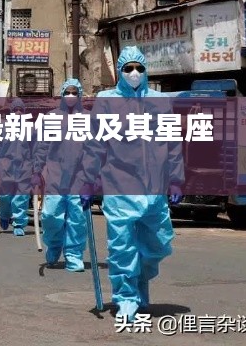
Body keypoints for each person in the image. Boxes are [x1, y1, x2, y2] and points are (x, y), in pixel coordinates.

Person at [79, 46, 184, 322]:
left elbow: (173, 143)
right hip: (119, 184)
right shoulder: (106, 101)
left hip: (154, 188)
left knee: (159, 244)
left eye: (139, 67)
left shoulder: (160, 102)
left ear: (146, 70)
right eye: (128, 68)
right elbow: (95, 145)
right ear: (120, 72)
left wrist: (176, 179)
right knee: (122, 246)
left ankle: (139, 283)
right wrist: (88, 181)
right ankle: (126, 297)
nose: (134, 73)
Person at [32, 78, 89, 272]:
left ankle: (74, 254)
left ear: (80, 95)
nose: (71, 96)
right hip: (55, 176)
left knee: (77, 219)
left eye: (74, 92)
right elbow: (42, 146)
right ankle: (54, 245)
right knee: (51, 216)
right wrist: (36, 171)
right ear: (62, 94)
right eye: (67, 92)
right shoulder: (51, 118)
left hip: (79, 178)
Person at [0, 98, 33, 237]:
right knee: (5, 197)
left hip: (25, 167)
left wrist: (37, 168)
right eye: (15, 110)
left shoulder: (31, 129)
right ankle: (4, 214)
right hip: (6, 167)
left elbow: (37, 149)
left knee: (22, 197)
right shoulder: (2, 128)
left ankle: (19, 224)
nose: (18, 113)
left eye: (21, 110)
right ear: (11, 112)